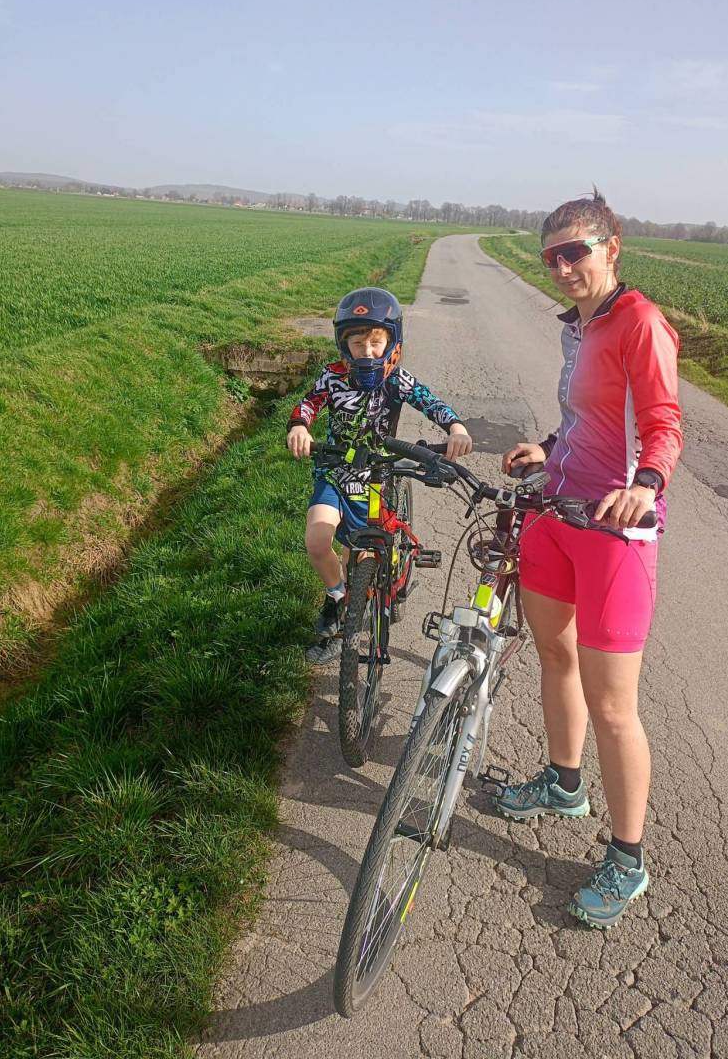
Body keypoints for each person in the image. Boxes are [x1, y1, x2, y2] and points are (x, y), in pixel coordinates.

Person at [497, 189, 683, 928]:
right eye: (551, 257)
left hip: (614, 531)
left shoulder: (639, 321)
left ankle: (628, 860)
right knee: (554, 656)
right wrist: (545, 448)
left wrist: (645, 485)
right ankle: (563, 783)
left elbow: (663, 422)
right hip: (555, 512)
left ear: (612, 247)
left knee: (613, 705)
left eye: (575, 251)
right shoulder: (577, 326)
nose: (562, 267)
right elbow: (584, 417)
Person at [287, 287, 472, 661]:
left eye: (376, 342)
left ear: (392, 342)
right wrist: (299, 427)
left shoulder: (396, 379)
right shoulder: (332, 376)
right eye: (358, 343)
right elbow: (309, 403)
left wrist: (455, 427)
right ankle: (337, 596)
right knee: (318, 540)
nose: (367, 351)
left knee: (364, 550)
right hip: (336, 471)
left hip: (377, 476)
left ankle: (366, 601)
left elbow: (429, 401)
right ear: (344, 345)